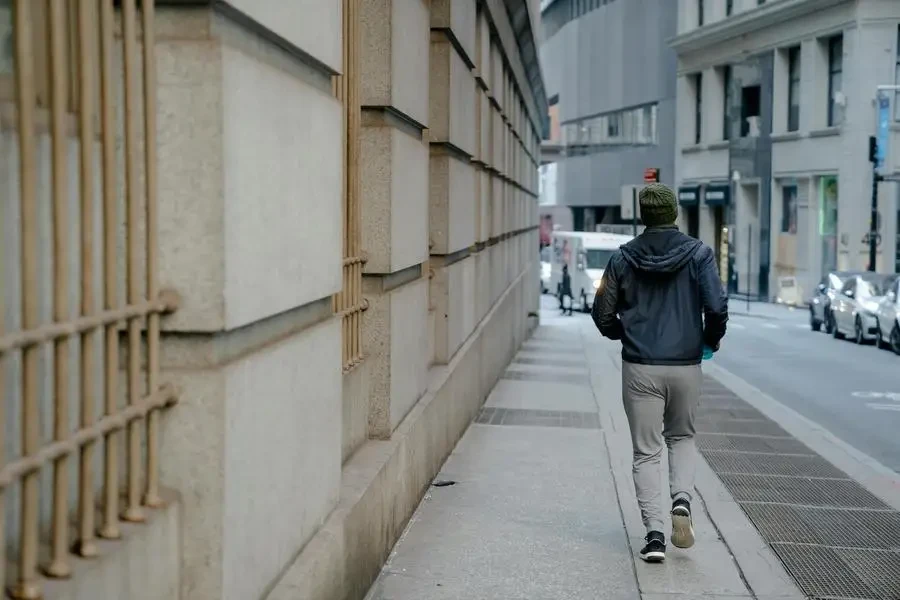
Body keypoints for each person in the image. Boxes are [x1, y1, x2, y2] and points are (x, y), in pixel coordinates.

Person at [591, 183, 728, 563]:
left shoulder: (622, 258)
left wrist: (626, 334)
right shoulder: (699, 254)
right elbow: (716, 307)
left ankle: (654, 536)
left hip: (640, 367)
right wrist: (709, 341)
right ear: (673, 214)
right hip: (686, 364)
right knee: (682, 437)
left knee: (646, 452)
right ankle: (681, 500)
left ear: (643, 216)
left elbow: (602, 312)